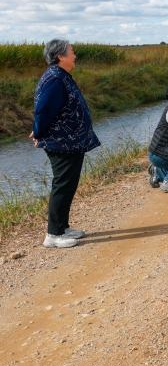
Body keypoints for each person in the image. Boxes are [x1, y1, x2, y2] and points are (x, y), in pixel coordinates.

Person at [30, 39, 101, 249]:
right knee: (62, 185)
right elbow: (43, 110)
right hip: (61, 142)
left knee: (69, 184)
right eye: (72, 52)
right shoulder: (54, 78)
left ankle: (63, 227)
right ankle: (53, 234)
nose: (75, 55)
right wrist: (38, 132)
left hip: (70, 142)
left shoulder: (61, 75)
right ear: (60, 56)